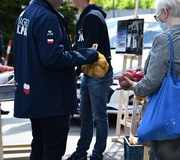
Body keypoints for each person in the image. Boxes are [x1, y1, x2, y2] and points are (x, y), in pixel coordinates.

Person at [124, 0, 180, 159]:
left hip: (173, 118)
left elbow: (151, 82)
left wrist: (134, 86)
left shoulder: (164, 39)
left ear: (165, 13)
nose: (158, 18)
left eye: (157, 14)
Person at [13, 0, 99, 159]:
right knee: (52, 151)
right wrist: (88, 54)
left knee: (39, 147)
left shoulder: (27, 13)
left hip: (37, 96)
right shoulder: (47, 17)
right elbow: (53, 57)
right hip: (51, 99)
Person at [67, 0, 113, 160]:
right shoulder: (84, 17)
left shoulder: (93, 17)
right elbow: (79, 45)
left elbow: (89, 49)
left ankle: (97, 154)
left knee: (99, 116)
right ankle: (81, 152)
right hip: (88, 72)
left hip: (99, 74)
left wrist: (76, 71)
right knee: (85, 116)